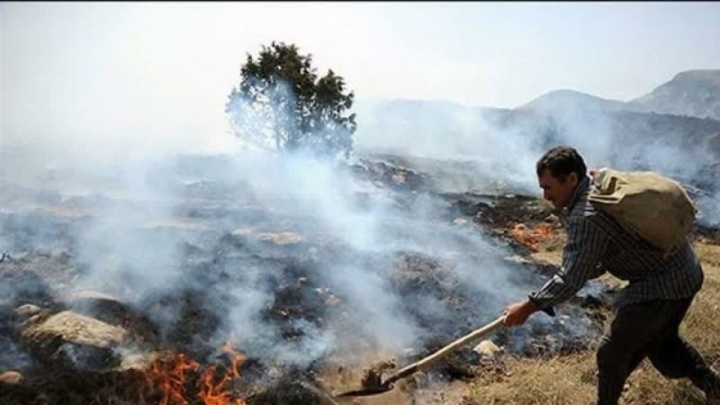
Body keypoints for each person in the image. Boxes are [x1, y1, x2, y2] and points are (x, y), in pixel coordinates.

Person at [502, 146, 720, 405]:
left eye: (548, 187)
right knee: (663, 346)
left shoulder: (586, 215)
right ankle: (714, 387)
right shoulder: (600, 186)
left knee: (611, 353)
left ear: (572, 178)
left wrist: (528, 307)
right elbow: (624, 236)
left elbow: (569, 279)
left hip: (661, 285)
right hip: (685, 270)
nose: (545, 195)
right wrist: (602, 262)